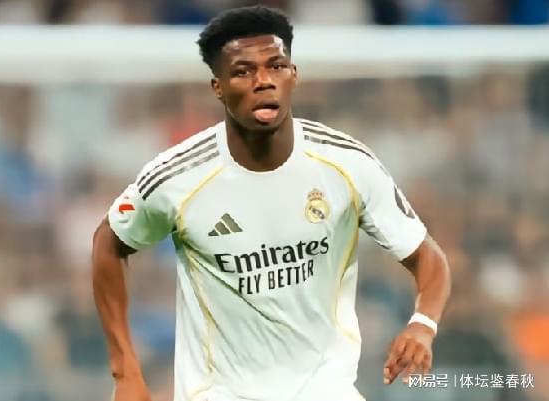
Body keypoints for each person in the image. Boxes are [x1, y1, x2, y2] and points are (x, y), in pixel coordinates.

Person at [92, 5, 451, 401]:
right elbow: (109, 241)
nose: (263, 81)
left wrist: (423, 324)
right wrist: (125, 372)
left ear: (293, 75)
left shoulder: (347, 164)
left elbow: (427, 256)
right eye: (243, 72)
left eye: (276, 66)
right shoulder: (178, 177)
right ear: (217, 87)